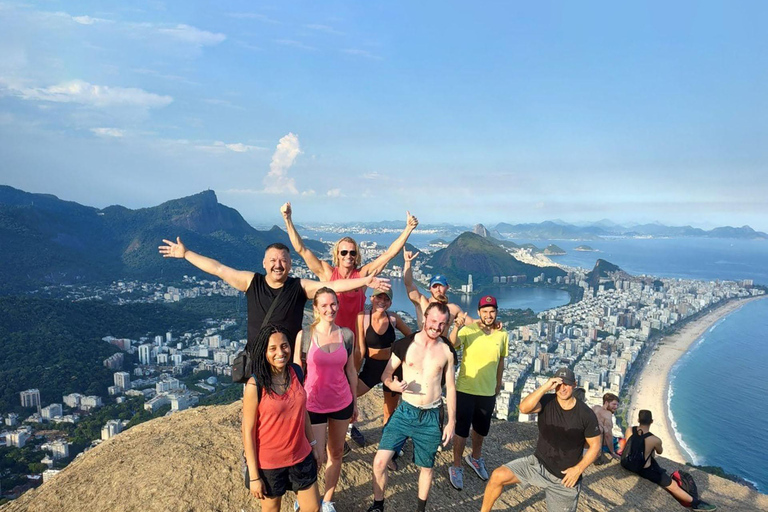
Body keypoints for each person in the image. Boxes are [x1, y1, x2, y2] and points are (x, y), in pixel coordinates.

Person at [158, 239, 390, 344]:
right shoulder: (252, 281)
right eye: (273, 260)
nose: (278, 264)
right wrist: (186, 254)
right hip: (259, 357)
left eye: (283, 260)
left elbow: (333, 287)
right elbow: (219, 268)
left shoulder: (299, 286)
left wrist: (365, 280)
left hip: (289, 358)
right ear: (264, 263)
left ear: (290, 264)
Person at [367, 303, 457, 512]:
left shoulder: (447, 350)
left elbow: (450, 387)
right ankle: (378, 505)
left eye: (442, 324)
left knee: (426, 467)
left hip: (431, 414)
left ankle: (420, 509)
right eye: (433, 321)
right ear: (425, 318)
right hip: (406, 410)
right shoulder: (404, 345)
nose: (437, 327)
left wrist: (451, 421)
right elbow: (385, 375)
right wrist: (392, 384)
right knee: (380, 462)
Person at [281, 201, 418, 336]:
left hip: (354, 341)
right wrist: (287, 219)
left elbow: (389, 254)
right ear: (337, 255)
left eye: (352, 252)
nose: (348, 256)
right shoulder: (327, 273)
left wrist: (408, 229)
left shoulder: (363, 275)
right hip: (330, 338)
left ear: (356, 255)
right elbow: (302, 250)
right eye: (344, 252)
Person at [481, 368, 601, 512]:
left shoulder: (586, 414)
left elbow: (595, 446)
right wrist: (545, 387)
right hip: (538, 464)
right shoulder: (546, 401)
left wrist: (578, 469)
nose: (562, 388)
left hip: (563, 478)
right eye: (559, 384)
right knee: (498, 476)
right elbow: (524, 408)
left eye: (567, 384)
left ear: (574, 385)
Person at [242, 324, 322, 512]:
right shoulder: (256, 384)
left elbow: (303, 413)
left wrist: (313, 445)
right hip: (269, 463)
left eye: (284, 346)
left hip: (300, 456)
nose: (280, 352)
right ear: (264, 351)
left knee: (312, 508)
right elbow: (248, 430)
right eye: (273, 348)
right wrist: (254, 476)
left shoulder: (296, 372)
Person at [294, 288, 358, 512]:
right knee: (316, 455)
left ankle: (327, 499)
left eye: (333, 304)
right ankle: (308, 497)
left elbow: (350, 370)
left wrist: (355, 403)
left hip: (341, 401)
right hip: (314, 403)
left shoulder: (347, 335)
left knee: (337, 453)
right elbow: (296, 374)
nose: (330, 309)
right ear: (316, 309)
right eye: (324, 305)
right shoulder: (305, 336)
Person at [447, 295, 508, 490]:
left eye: (492, 312)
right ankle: (456, 466)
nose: (489, 315)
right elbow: (452, 343)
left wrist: (498, 383)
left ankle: (475, 458)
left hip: (488, 391)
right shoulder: (468, 330)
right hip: (466, 389)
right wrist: (456, 326)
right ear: (478, 313)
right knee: (461, 430)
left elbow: (501, 361)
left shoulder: (502, 334)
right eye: (485, 311)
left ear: (496, 313)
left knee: (481, 430)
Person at [623, 410, 717, 511]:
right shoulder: (655, 439)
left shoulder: (629, 430)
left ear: (638, 420)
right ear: (652, 421)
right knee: (673, 486)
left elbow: (629, 445)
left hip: (626, 462)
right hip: (643, 470)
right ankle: (696, 504)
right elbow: (659, 451)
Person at [356, 289, 412, 423]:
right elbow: (360, 348)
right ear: (371, 298)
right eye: (378, 298)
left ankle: (387, 441)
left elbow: (411, 337)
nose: (382, 302)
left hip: (392, 368)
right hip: (372, 367)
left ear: (390, 303)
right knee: (349, 396)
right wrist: (354, 372)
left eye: (386, 299)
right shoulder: (362, 317)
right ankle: (345, 429)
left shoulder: (393, 318)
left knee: (389, 411)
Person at [402, 249, 466, 332]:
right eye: (435, 286)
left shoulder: (453, 309)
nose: (438, 289)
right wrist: (407, 262)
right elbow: (409, 284)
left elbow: (472, 323)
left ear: (447, 287)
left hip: (441, 344)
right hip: (422, 343)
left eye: (441, 286)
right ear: (430, 288)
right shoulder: (422, 302)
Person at [592, 393, 621, 460]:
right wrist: (612, 452)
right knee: (623, 442)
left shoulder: (595, 408)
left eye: (617, 405)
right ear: (606, 403)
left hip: (590, 441)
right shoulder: (608, 414)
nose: (616, 407)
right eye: (613, 404)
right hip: (601, 445)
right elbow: (608, 435)